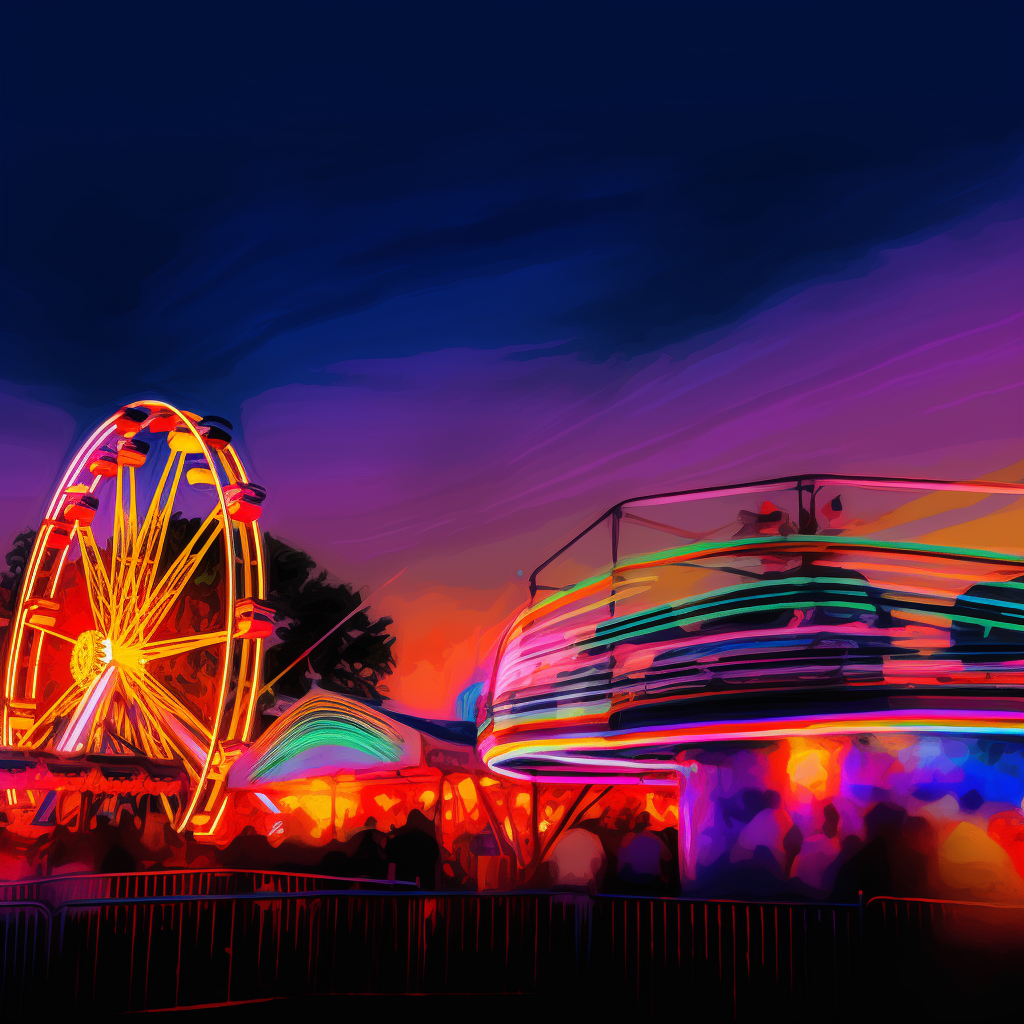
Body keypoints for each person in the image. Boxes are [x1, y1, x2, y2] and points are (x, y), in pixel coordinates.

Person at [385, 809, 439, 887]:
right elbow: (435, 856)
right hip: (425, 884)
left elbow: (389, 854)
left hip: (403, 882)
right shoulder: (429, 840)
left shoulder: (400, 838)